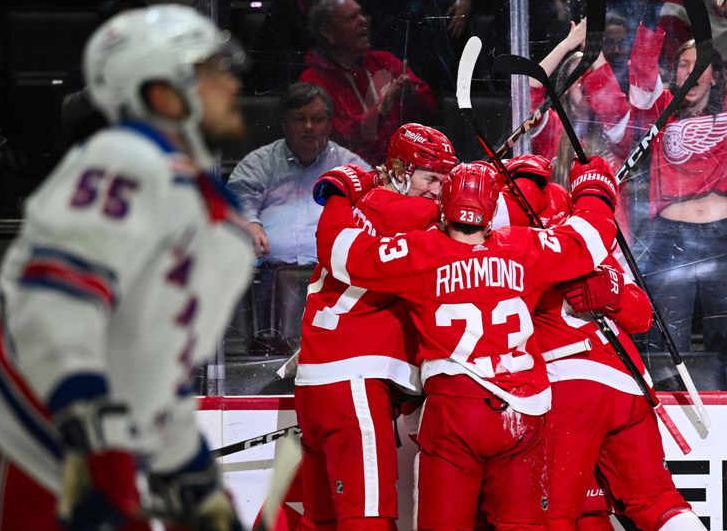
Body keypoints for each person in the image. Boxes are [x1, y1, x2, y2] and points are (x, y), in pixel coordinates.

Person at [0, 5, 254, 531]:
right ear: (161, 94)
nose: (232, 83)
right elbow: (57, 297)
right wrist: (83, 419)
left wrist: (188, 473)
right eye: (210, 71)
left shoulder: (222, 225)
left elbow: (152, 370)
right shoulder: (126, 159)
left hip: (97, 452)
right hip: (18, 427)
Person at [311, 155, 620, 530]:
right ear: (492, 209)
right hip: (522, 411)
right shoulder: (525, 246)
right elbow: (589, 238)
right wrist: (594, 188)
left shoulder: (420, 251)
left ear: (442, 206)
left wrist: (339, 195)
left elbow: (342, 253)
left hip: (454, 411)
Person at [492, 154, 704, 531]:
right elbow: (640, 317)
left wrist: (612, 295)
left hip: (568, 385)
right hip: (627, 384)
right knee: (658, 501)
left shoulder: (517, 238)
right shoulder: (595, 235)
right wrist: (615, 294)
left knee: (551, 512)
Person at [295, 123, 457, 531]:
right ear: (400, 170)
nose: (439, 190)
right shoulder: (411, 213)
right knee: (367, 518)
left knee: (324, 520)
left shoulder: (360, 204)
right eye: (430, 177)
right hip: (355, 378)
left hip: (317, 381)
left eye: (445, 180)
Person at [226, 82, 370, 336]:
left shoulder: (349, 166)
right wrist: (250, 223)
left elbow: (373, 207)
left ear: (330, 123)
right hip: (270, 280)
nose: (309, 127)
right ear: (284, 124)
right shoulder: (261, 162)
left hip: (334, 280)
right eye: (299, 119)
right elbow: (237, 198)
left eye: (317, 119)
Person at [630, 15, 727, 355]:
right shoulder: (662, 108)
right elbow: (641, 69)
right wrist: (652, 10)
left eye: (699, 64)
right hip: (671, 238)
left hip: (723, 237)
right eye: (683, 65)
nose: (689, 71)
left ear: (715, 76)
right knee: (667, 339)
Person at [299, 0, 437, 165]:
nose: (363, 20)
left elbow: (430, 111)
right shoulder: (313, 81)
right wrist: (379, 112)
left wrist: (411, 95)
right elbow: (336, 138)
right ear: (328, 32)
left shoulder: (385, 61)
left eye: (362, 14)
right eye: (351, 17)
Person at [528, 17, 633, 233]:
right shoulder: (553, 128)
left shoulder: (612, 130)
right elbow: (528, 88)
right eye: (578, 76)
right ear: (565, 87)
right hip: (562, 239)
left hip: (611, 243)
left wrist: (593, 48)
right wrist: (568, 43)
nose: (586, 82)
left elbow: (611, 101)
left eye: (590, 75)